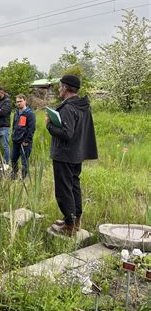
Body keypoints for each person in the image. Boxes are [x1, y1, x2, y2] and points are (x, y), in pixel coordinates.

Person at [46, 75, 98, 236]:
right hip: (76, 153)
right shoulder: (82, 105)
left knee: (63, 190)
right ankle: (75, 220)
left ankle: (69, 225)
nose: (59, 89)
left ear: (66, 88)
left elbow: (66, 133)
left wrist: (49, 125)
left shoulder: (68, 108)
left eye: (61, 86)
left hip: (64, 155)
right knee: (74, 186)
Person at [11, 94, 36, 179]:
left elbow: (32, 128)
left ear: (25, 101)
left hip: (25, 142)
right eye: (17, 102)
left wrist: (27, 140)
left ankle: (24, 179)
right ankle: (14, 176)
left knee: (24, 161)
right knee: (13, 159)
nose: (19, 103)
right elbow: (14, 126)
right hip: (16, 141)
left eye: (20, 101)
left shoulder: (30, 113)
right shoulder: (17, 113)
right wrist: (13, 135)